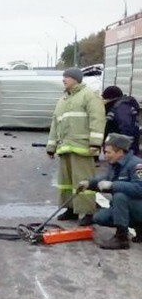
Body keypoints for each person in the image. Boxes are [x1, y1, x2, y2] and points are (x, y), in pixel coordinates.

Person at [46, 67, 106, 226]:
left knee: (84, 182)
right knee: (66, 182)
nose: (63, 80)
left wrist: (95, 143)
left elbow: (97, 120)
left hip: (83, 148)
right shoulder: (63, 99)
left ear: (76, 79)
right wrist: (51, 146)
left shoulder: (89, 96)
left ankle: (88, 212)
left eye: (67, 77)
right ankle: (70, 209)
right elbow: (55, 124)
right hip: (65, 147)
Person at [78, 133, 142, 250]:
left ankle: (121, 238)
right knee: (100, 218)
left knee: (120, 196)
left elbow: (140, 188)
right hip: (131, 207)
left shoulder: (137, 165)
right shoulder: (115, 164)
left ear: (120, 152)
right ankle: (139, 228)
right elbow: (105, 178)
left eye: (108, 152)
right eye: (105, 152)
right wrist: (89, 183)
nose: (105, 156)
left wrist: (114, 185)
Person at [101, 85, 140, 156]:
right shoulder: (118, 106)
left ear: (110, 99)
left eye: (104, 99)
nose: (103, 101)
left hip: (121, 150)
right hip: (118, 149)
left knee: (125, 166)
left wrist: (122, 149)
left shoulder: (121, 107)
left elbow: (126, 129)